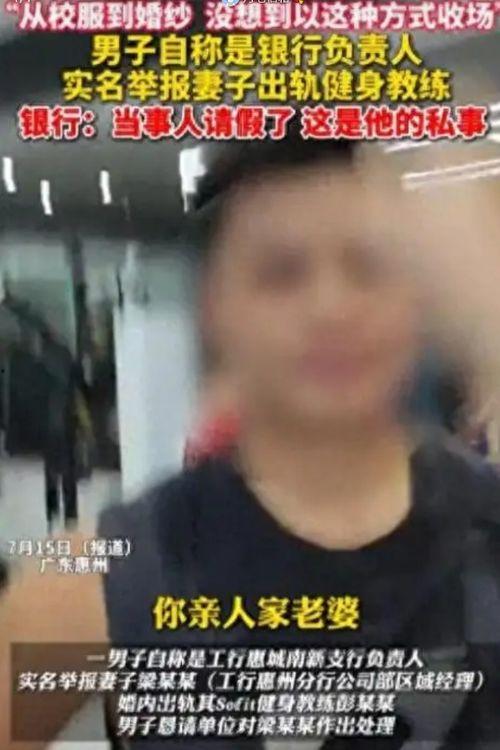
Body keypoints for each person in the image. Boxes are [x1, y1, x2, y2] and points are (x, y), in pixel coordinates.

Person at [2, 133, 500, 750]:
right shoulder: (103, 573)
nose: (331, 308)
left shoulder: (485, 534)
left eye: (368, 266)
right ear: (216, 307)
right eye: (281, 273)